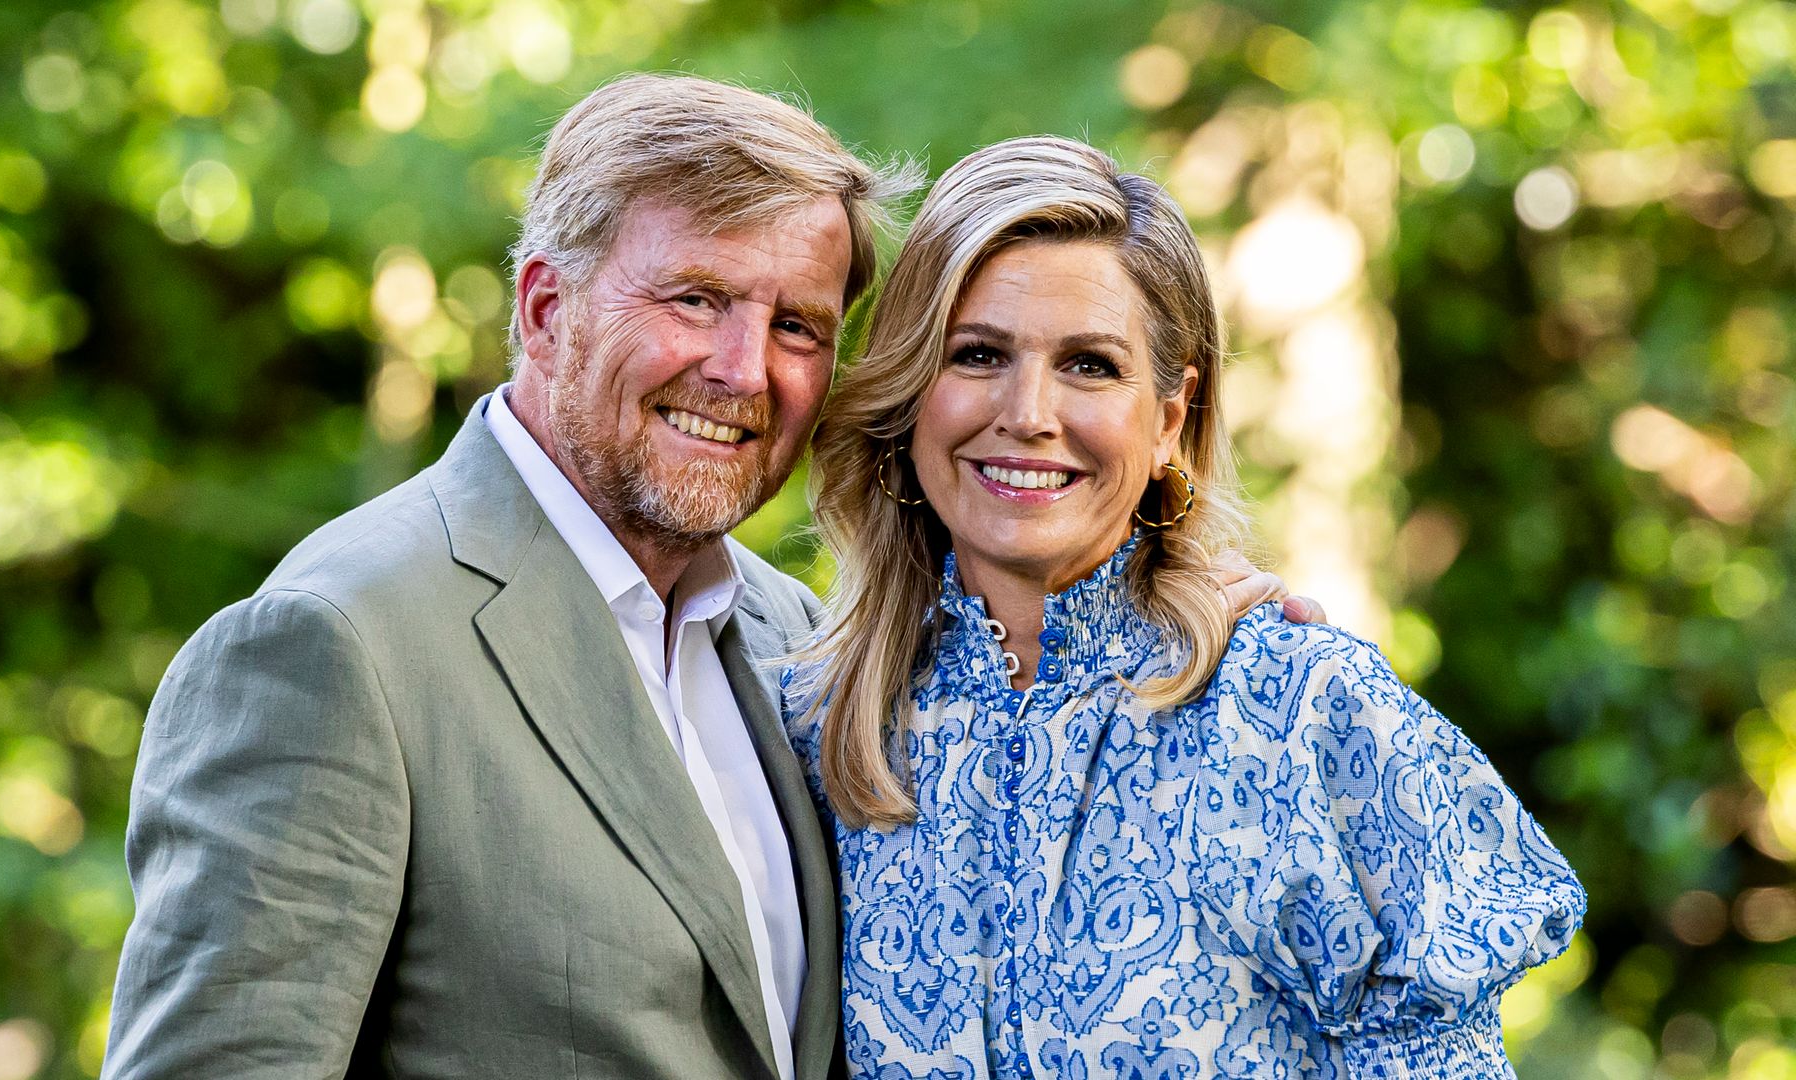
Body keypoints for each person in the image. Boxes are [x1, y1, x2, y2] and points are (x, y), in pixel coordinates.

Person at [102, 77, 1310, 1078]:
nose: (745, 370)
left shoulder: (797, 649)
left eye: (797, 325)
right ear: (544, 308)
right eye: (696, 300)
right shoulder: (334, 646)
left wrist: (1177, 632)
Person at [786, 136, 1586, 1078]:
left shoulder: (1302, 708)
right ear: (912, 390)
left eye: (1089, 365)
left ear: (1171, 415)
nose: (1029, 412)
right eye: (978, 354)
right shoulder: (830, 724)